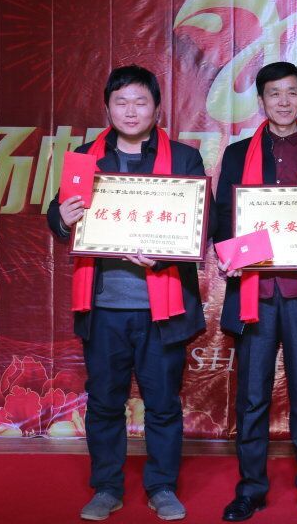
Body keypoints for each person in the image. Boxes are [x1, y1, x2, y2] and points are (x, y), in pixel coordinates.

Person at [47, 65, 211, 522]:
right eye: (121, 102)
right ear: (108, 108)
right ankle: (107, 487)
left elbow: (205, 223)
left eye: (141, 102)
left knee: (163, 403)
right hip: (103, 307)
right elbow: (58, 216)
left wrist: (165, 253)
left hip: (164, 306)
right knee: (104, 402)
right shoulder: (85, 158)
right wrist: (62, 216)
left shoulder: (184, 159)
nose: (131, 111)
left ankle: (162, 487)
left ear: (157, 109)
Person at [214, 62, 297, 523]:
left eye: (292, 92)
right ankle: (250, 489)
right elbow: (223, 218)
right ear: (262, 100)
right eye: (274, 93)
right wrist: (232, 253)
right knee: (252, 397)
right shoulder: (238, 154)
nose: (284, 101)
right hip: (255, 292)